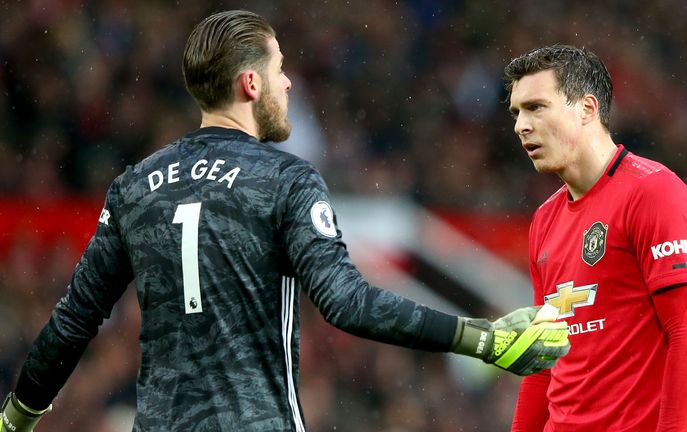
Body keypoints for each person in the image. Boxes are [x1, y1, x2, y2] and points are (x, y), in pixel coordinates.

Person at [0, 11, 570, 432]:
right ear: (251, 84)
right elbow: (349, 304)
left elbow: (72, 324)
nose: (288, 84)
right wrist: (483, 338)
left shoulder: (133, 187)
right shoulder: (284, 180)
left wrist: (16, 419)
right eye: (279, 70)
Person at [504, 44, 687, 431]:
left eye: (536, 107)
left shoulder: (654, 193)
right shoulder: (544, 220)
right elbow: (543, 361)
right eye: (516, 112)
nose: (521, 125)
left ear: (587, 108)